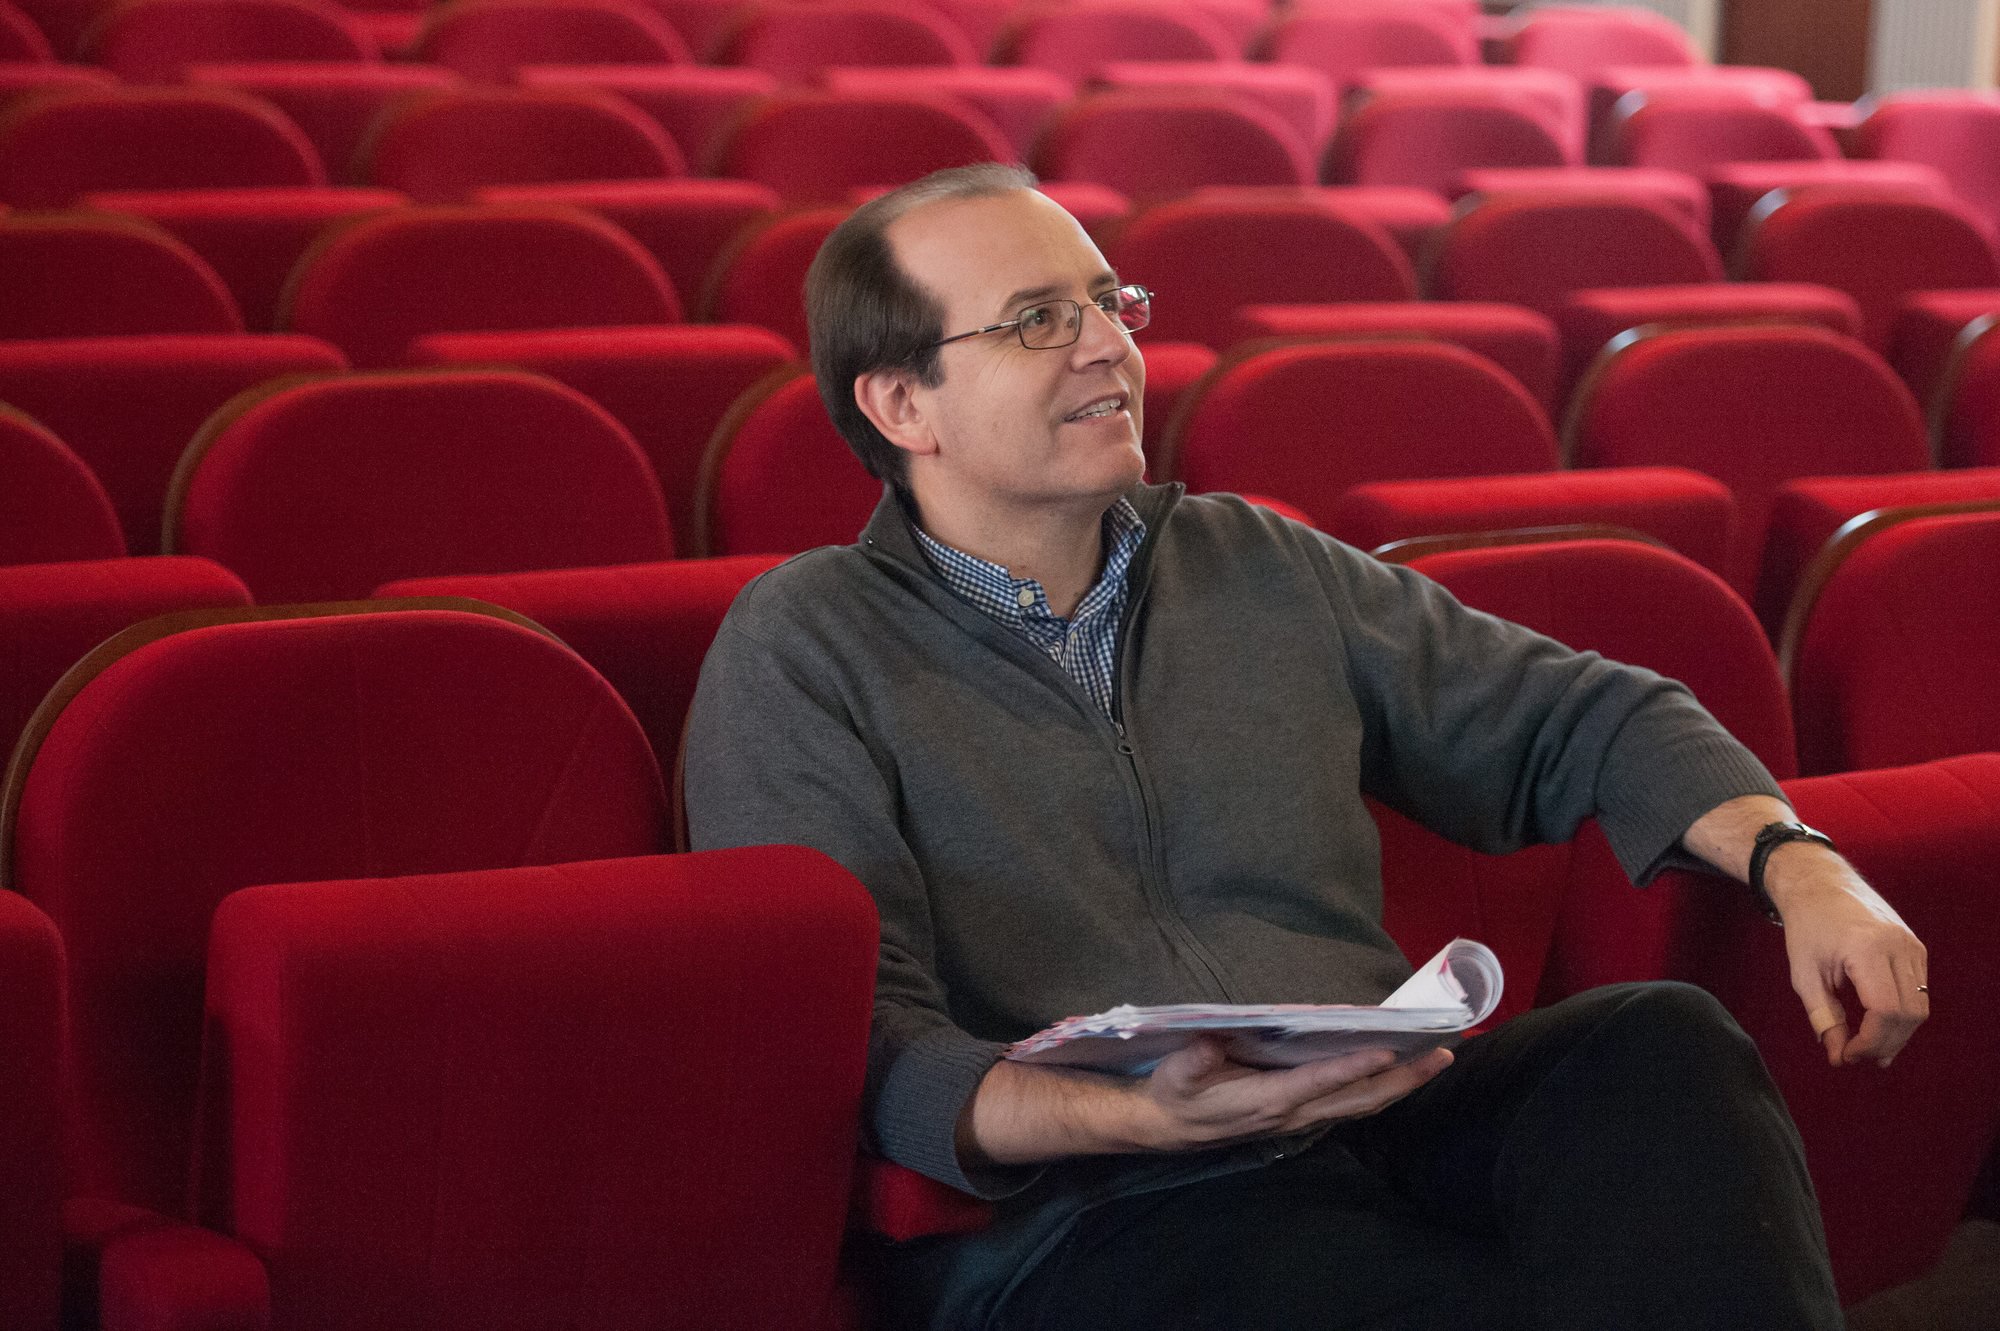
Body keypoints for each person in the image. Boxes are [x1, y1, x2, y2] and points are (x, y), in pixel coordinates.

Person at [683, 164, 1930, 1330]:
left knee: (1656, 1046)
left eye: (1105, 301)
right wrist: (1129, 1117)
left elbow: (1586, 714)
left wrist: (1802, 867)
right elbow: (857, 1033)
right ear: (903, 404)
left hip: (1364, 1114)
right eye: (1032, 322)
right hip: (1082, 1211)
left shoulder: (1253, 560)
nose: (1108, 343)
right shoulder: (804, 640)